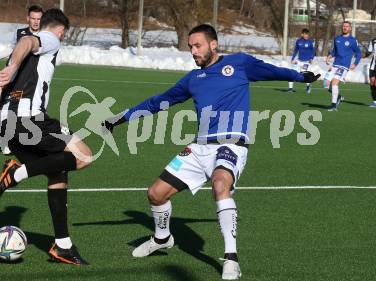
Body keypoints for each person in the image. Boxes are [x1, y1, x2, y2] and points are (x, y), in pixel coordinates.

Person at [103, 24, 320, 280]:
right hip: (199, 146)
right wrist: (120, 118)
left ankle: (231, 258)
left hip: (231, 144)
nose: (193, 51)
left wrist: (300, 76)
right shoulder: (193, 79)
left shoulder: (239, 64)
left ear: (213, 44)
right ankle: (162, 238)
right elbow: (158, 102)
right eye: (190, 47)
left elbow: (270, 70)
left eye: (198, 46)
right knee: (155, 194)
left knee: (220, 184)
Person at [0, 8, 93, 266]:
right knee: (84, 155)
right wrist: (15, 64)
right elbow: (28, 40)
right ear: (59, 29)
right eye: (63, 34)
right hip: (30, 121)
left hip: (7, 127)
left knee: (58, 173)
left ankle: (63, 246)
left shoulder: (15, 61)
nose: (62, 39)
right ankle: (16, 173)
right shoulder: (48, 38)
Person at [0, 5, 44, 159]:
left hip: (30, 82)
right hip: (12, 78)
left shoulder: (44, 37)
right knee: (3, 110)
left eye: (39, 19)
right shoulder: (20, 33)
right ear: (28, 19)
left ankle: (7, 142)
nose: (36, 21)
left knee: (23, 114)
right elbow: (11, 50)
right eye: (33, 18)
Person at [324, 21, 361, 111]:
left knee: (335, 83)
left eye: (347, 26)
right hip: (335, 64)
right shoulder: (337, 38)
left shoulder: (353, 40)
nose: (345, 28)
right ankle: (339, 97)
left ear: (350, 28)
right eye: (344, 26)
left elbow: (358, 53)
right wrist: (329, 57)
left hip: (344, 66)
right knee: (325, 84)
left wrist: (355, 63)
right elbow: (334, 51)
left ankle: (333, 106)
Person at [289, 28, 315, 93]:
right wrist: (292, 59)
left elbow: (313, 51)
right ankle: (290, 89)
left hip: (306, 62)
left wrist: (311, 58)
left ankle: (308, 87)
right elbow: (295, 50)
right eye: (305, 34)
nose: (306, 36)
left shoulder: (310, 41)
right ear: (302, 34)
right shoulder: (298, 41)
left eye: (307, 34)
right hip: (299, 61)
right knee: (292, 73)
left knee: (305, 76)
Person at [365, 37, 376, 107]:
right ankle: (375, 101)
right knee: (372, 83)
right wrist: (362, 55)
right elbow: (369, 52)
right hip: (373, 65)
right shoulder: (373, 41)